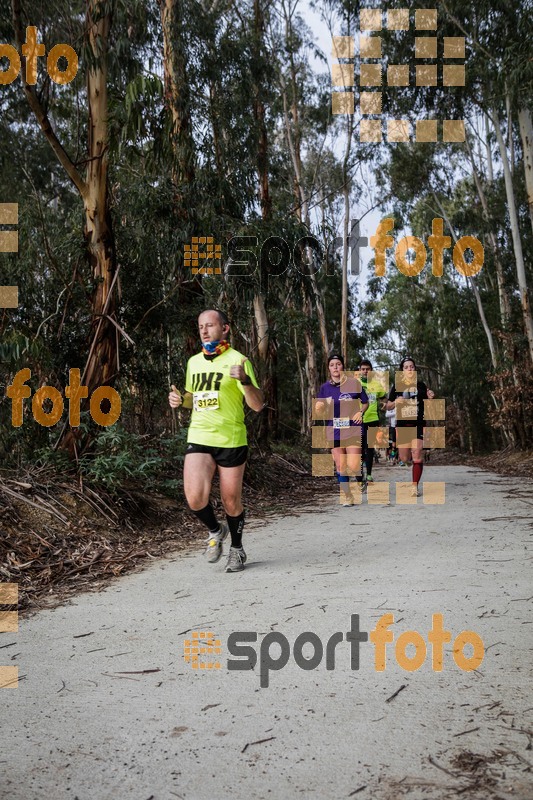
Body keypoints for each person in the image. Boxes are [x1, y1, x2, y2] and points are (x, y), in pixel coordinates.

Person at [168, 309, 264, 572]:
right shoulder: (194, 363)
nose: (204, 330)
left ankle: (237, 549)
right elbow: (192, 397)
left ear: (225, 329)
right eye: (200, 326)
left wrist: (244, 381)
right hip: (199, 435)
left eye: (210, 325)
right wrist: (180, 400)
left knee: (231, 500)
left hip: (231, 438)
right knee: (194, 498)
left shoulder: (239, 361)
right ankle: (215, 530)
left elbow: (257, 405)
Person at [315, 354, 368, 506]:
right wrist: (319, 407)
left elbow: (365, 402)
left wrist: (361, 412)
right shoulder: (325, 388)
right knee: (340, 465)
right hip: (335, 430)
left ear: (343, 366)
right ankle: (347, 496)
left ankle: (360, 476)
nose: (336, 367)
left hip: (352, 428)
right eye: (332, 365)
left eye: (338, 364)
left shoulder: (354, 383)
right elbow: (320, 408)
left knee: (353, 465)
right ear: (329, 368)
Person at [386, 356, 434, 496]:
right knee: (405, 458)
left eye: (411, 367)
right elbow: (388, 406)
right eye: (406, 367)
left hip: (418, 423)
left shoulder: (421, 385)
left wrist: (430, 396)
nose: (409, 369)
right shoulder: (396, 386)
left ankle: (414, 486)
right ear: (402, 371)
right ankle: (407, 461)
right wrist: (396, 402)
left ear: (415, 369)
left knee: (417, 455)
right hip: (403, 425)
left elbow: (428, 402)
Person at [359, 359, 387, 484]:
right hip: (357, 420)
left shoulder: (377, 384)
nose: (365, 371)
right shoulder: (354, 384)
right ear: (359, 371)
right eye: (363, 369)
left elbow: (384, 398)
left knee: (369, 448)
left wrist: (384, 404)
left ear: (371, 371)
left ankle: (369, 474)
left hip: (373, 419)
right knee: (359, 448)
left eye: (367, 369)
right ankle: (360, 474)